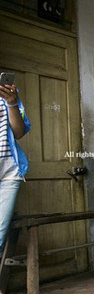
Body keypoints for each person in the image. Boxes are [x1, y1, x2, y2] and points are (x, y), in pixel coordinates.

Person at [0, 78, 30, 256]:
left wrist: (11, 103)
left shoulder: (9, 93)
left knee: (0, 232)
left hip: (9, 172)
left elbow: (19, 132)